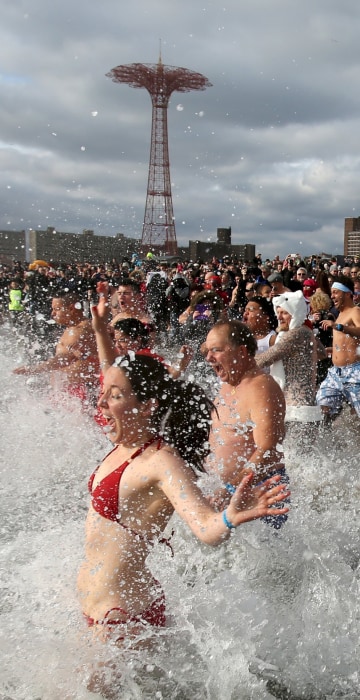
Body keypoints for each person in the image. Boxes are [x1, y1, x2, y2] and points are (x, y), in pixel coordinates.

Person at [77, 353, 290, 643]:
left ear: (147, 406)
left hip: (122, 618)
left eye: (114, 396)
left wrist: (230, 517)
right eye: (103, 392)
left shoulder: (162, 461)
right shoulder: (123, 446)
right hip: (99, 609)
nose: (101, 403)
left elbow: (206, 528)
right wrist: (101, 327)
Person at [202, 321, 288, 527]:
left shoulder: (261, 387)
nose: (208, 357)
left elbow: (267, 450)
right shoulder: (229, 384)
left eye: (216, 350)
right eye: (207, 350)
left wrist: (231, 491)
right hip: (228, 493)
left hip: (259, 494)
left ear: (241, 351)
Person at [256, 290, 322, 442]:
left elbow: (265, 359)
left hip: (298, 409)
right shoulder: (305, 332)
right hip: (301, 407)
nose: (279, 317)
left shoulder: (297, 334)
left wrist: (236, 360)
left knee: (296, 459)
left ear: (295, 313)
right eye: (278, 312)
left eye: (284, 313)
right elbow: (322, 352)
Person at [13, 290, 98, 404]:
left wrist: (35, 369)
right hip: (68, 392)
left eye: (57, 309)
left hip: (81, 392)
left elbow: (65, 359)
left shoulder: (80, 330)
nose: (52, 314)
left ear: (71, 308)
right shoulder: (71, 328)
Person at [316, 275, 360, 420]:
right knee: (322, 407)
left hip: (354, 373)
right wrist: (330, 350)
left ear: (347, 293)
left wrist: (338, 326)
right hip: (335, 373)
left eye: (336, 292)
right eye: (332, 292)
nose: (332, 296)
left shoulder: (355, 311)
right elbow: (345, 343)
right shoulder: (340, 314)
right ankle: (328, 441)